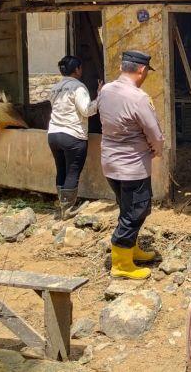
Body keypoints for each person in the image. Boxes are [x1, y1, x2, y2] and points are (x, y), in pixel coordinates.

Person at [98, 51, 164, 280]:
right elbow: (154, 133)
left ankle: (131, 249)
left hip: (110, 163)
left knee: (126, 207)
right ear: (141, 70)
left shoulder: (105, 90)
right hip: (133, 167)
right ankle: (122, 264)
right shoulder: (138, 98)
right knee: (137, 211)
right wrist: (158, 150)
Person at [47, 55, 100, 220]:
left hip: (53, 134)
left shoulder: (55, 88)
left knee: (61, 169)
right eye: (81, 67)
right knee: (72, 171)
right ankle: (68, 209)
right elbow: (86, 110)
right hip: (72, 135)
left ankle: (62, 204)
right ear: (77, 69)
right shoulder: (78, 87)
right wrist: (99, 97)